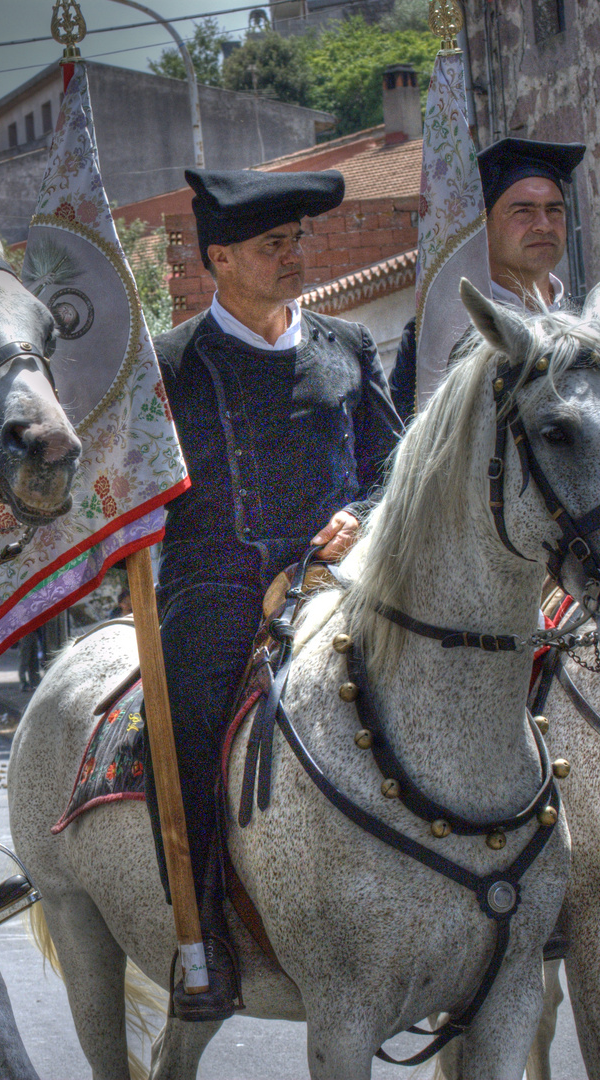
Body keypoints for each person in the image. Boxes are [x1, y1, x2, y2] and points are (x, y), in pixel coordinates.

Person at [153, 168, 403, 1020]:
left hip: (344, 579)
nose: (295, 255)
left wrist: (363, 519)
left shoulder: (348, 348)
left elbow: (393, 468)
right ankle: (203, 935)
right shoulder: (172, 363)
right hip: (217, 585)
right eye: (274, 244)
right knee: (183, 725)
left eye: (298, 241)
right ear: (220, 257)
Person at [389, 139, 600, 424]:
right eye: (523, 212)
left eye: (554, 210)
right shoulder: (442, 336)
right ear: (483, 228)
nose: (544, 224)